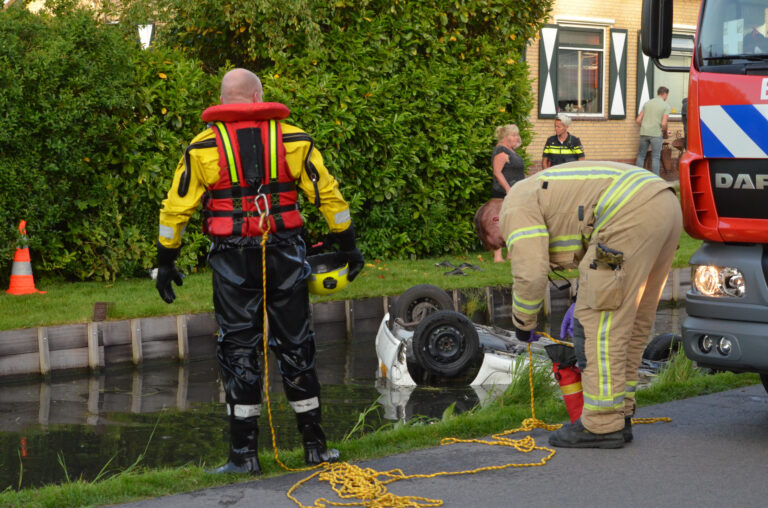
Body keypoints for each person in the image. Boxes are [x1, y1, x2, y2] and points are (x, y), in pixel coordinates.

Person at [155, 68, 364, 474]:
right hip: (284, 252)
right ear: (257, 97)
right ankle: (315, 448)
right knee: (296, 343)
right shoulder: (295, 139)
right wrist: (349, 245)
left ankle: (243, 456)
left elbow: (175, 209)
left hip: (232, 259)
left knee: (238, 347)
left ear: (224, 99)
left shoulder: (202, 147)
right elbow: (329, 195)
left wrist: (166, 261)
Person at [499, 160, 682, 448]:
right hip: (663, 205)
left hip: (628, 212)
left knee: (598, 323)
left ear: (492, 221)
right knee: (630, 321)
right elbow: (594, 248)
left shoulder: (512, 206)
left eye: (496, 241)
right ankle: (620, 413)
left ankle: (601, 424)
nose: (504, 246)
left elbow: (530, 272)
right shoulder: (546, 191)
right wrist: (580, 295)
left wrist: (524, 324)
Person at [480, 124, 525, 262]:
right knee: (498, 223)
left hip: (514, 192)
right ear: (505, 137)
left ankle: (510, 254)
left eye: (517, 135)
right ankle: (498, 257)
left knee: (512, 223)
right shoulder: (501, 150)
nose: (516, 138)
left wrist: (515, 141)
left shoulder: (509, 149)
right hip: (503, 193)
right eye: (513, 135)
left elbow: (516, 146)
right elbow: (497, 172)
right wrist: (508, 189)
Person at [635, 86, 671, 175]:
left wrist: (644, 127)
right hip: (656, 134)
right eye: (667, 95)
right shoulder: (665, 105)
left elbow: (638, 120)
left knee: (641, 156)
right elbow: (663, 123)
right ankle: (655, 179)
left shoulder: (647, 103)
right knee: (656, 157)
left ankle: (636, 177)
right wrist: (665, 132)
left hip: (644, 132)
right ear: (665, 94)